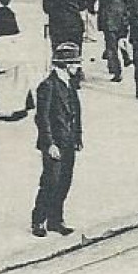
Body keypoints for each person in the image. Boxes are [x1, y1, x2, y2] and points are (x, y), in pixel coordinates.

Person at [31, 43, 84, 237]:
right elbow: (42, 118)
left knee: (64, 181)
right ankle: (38, 220)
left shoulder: (69, 84)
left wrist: (78, 137)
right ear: (66, 64)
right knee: (50, 182)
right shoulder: (47, 86)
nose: (78, 67)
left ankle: (55, 220)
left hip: (69, 141)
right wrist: (49, 144)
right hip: (55, 144)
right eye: (75, 63)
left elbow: (76, 113)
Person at [88, 0, 138, 83]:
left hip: (106, 14)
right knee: (121, 37)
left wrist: (91, 8)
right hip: (122, 14)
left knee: (110, 44)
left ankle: (116, 71)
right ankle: (126, 54)